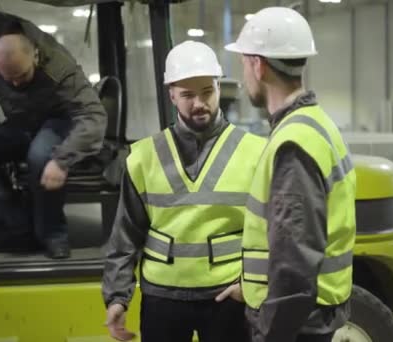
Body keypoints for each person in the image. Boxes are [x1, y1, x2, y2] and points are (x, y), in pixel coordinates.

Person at [101, 40, 266, 342]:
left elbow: (272, 231)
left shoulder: (256, 152)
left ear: (219, 87)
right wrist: (117, 297)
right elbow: (126, 234)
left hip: (229, 296)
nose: (199, 103)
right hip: (162, 299)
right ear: (172, 95)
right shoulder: (142, 157)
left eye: (207, 92)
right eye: (188, 95)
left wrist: (252, 285)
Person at [224, 7, 357, 342]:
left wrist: (270, 332)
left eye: (244, 64)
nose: (244, 77)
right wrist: (252, 286)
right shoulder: (316, 124)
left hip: (297, 326)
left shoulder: (293, 143)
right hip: (310, 316)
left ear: (259, 64)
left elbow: (294, 261)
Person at [0, 10, 107, 259]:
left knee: (41, 158)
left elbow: (94, 116)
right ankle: (14, 230)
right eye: (8, 79)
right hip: (22, 120)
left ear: (36, 57)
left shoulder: (61, 70)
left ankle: (53, 235)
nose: (15, 84)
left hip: (57, 120)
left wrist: (62, 160)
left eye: (21, 76)